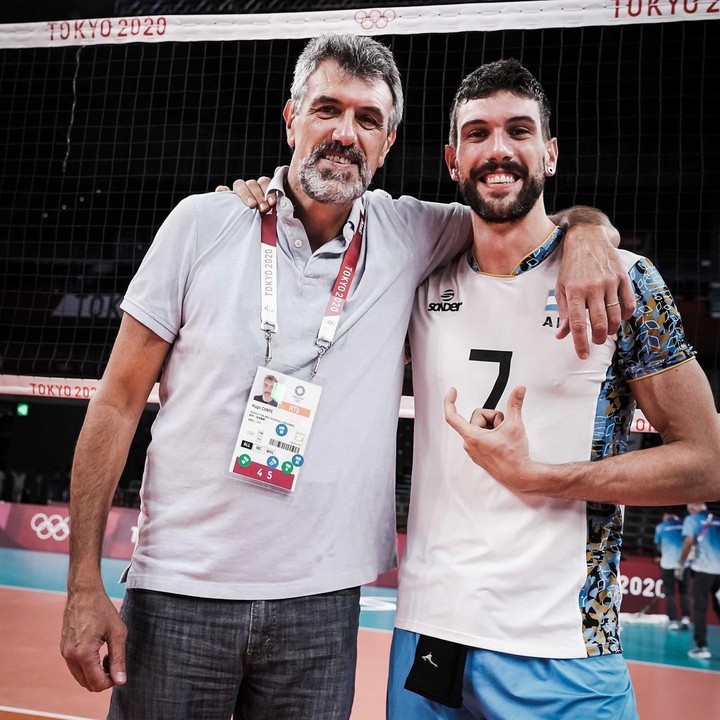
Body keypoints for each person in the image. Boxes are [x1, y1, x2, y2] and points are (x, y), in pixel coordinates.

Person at [60, 35, 632, 720]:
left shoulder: (409, 232)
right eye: (327, 109)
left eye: (367, 118)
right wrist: (82, 583)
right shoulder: (203, 223)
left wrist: (590, 227)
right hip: (181, 593)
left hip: (322, 608)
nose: (344, 132)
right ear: (291, 118)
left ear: (388, 144)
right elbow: (118, 404)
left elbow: (512, 208)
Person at [387, 59, 720, 719]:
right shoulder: (418, 288)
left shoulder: (625, 283)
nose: (499, 149)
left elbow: (708, 461)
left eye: (518, 130)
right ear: (453, 160)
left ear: (551, 152)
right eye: (478, 133)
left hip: (563, 648)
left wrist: (543, 477)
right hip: (429, 634)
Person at [677, 502, 720, 659]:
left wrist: (681, 563)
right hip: (719, 573)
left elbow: (688, 542)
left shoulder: (692, 519)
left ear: (694, 506)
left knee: (700, 608)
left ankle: (702, 647)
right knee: (718, 607)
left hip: (703, 571)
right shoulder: (716, 519)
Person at [654, 511, 691, 629]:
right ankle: (686, 619)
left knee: (669, 593)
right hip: (683, 565)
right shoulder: (685, 524)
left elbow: (658, 546)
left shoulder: (661, 527)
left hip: (668, 564)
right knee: (684, 592)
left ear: (666, 516)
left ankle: (673, 621)